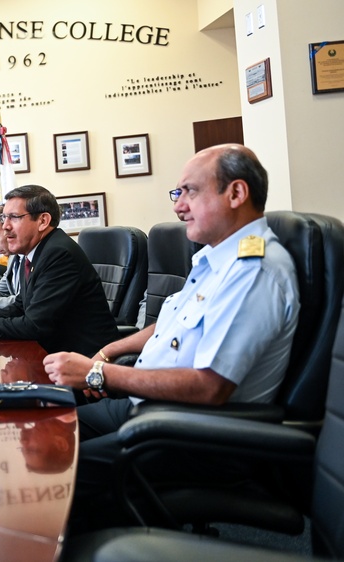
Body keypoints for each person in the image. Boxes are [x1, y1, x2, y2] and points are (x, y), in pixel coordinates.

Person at [43, 144, 300, 531]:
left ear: (236, 194)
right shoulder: (214, 257)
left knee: (53, 478)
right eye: (176, 194)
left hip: (190, 434)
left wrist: (99, 375)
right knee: (43, 436)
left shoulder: (254, 270)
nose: (178, 207)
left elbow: (209, 387)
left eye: (190, 192)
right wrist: (110, 351)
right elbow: (170, 324)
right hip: (149, 409)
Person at [0, 185, 119, 356]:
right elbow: (20, 306)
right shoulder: (31, 254)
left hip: (87, 360)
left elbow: (35, 325)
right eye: (4, 218)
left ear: (43, 221)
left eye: (13, 217)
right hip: (54, 355)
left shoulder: (58, 254)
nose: (5, 227)